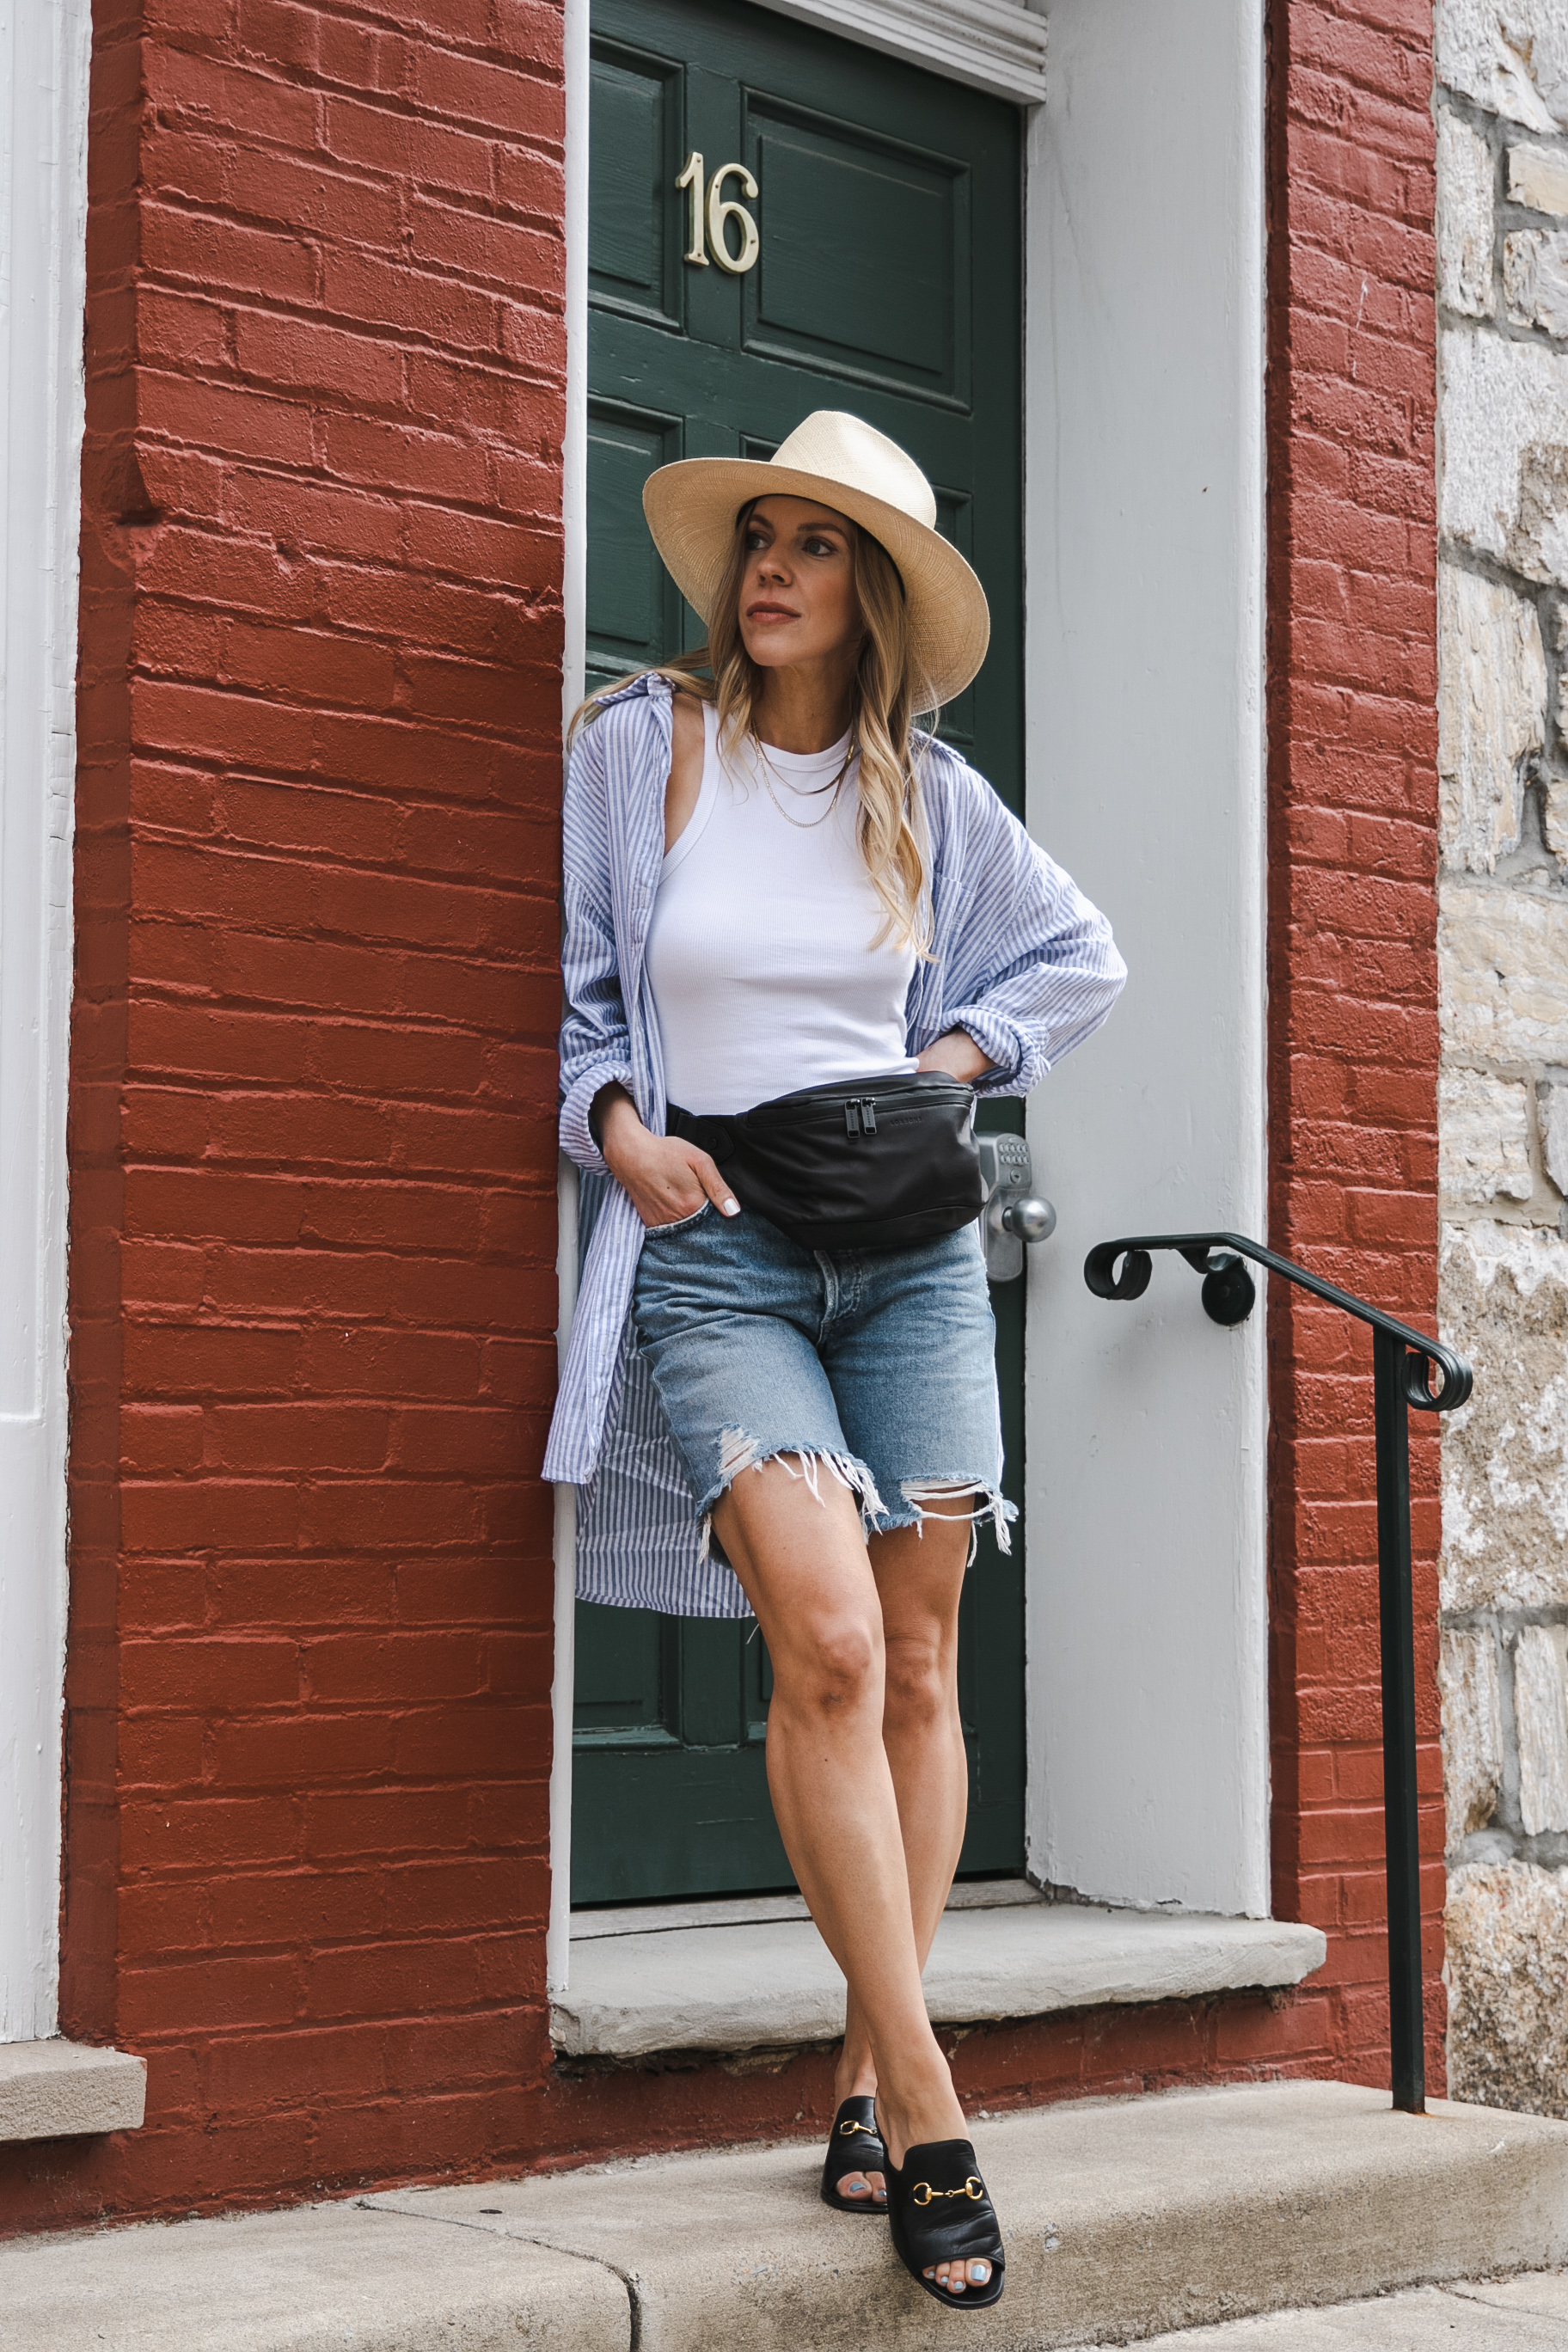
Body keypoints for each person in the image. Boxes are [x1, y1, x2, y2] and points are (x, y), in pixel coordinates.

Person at [543, 412, 1125, 2312]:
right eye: (759, 535)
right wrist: (618, 1125)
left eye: (816, 543)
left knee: (928, 1652)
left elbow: (1076, 959)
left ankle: (865, 2068)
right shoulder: (646, 749)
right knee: (836, 1644)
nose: (771, 566)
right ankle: (937, 2106)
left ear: (872, 590)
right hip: (720, 1261)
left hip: (914, 1265)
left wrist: (955, 1063)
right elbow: (576, 1004)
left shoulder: (932, 798)